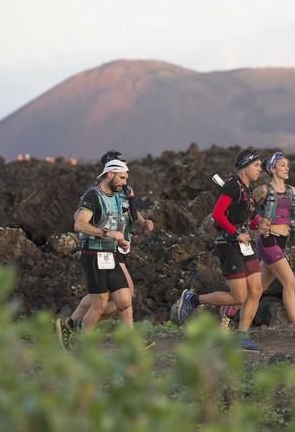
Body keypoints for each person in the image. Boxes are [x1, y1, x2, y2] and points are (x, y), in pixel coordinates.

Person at [55, 157, 152, 349]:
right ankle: (81, 345)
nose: (125, 183)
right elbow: (79, 224)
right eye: (122, 178)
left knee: (124, 301)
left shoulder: (118, 194)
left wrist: (122, 240)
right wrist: (107, 233)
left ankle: (74, 325)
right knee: (99, 303)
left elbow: (123, 219)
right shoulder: (93, 195)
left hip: (111, 253)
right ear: (110, 174)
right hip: (93, 254)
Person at [176, 149, 265, 351]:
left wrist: (260, 224)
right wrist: (235, 233)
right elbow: (218, 214)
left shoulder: (248, 188)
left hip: (245, 244)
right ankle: (193, 299)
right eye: (256, 165)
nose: (260, 169)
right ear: (245, 166)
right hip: (229, 244)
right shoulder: (233, 186)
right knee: (239, 297)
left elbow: (248, 216)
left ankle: (242, 336)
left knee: (257, 289)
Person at [247, 151, 295, 341]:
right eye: (282, 165)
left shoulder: (292, 191)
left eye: (287, 165)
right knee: (290, 282)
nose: (287, 168)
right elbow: (246, 208)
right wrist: (258, 223)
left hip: (282, 242)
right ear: (272, 169)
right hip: (268, 240)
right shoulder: (263, 190)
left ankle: (229, 310)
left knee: (260, 288)